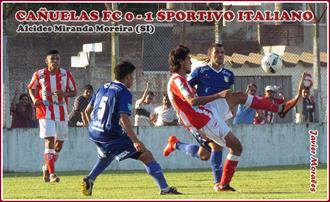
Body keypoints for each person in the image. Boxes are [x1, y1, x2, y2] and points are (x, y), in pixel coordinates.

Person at [164, 45, 305, 192]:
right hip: (202, 118)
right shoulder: (181, 79)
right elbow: (191, 100)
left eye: (222, 52)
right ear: (180, 61)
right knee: (219, 150)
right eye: (187, 59)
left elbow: (181, 100)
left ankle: (280, 108)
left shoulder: (221, 74)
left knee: (238, 96)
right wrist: (218, 95)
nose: (190, 62)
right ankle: (221, 183)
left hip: (206, 113)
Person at [80, 61, 181, 196]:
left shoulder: (102, 87)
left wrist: (93, 127)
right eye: (132, 76)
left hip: (94, 132)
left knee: (107, 155)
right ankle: (165, 189)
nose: (133, 79)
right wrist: (135, 140)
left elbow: (87, 111)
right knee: (146, 154)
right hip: (110, 134)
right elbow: (124, 117)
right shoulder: (124, 92)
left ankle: (90, 179)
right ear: (127, 76)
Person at [28, 50, 77, 183]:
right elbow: (31, 88)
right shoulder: (39, 74)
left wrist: (64, 94)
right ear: (46, 61)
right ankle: (52, 174)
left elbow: (74, 91)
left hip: (61, 113)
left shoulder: (66, 74)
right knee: (49, 139)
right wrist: (34, 99)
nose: (55, 61)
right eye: (52, 59)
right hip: (45, 112)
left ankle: (46, 167)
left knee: (59, 145)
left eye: (57, 59)